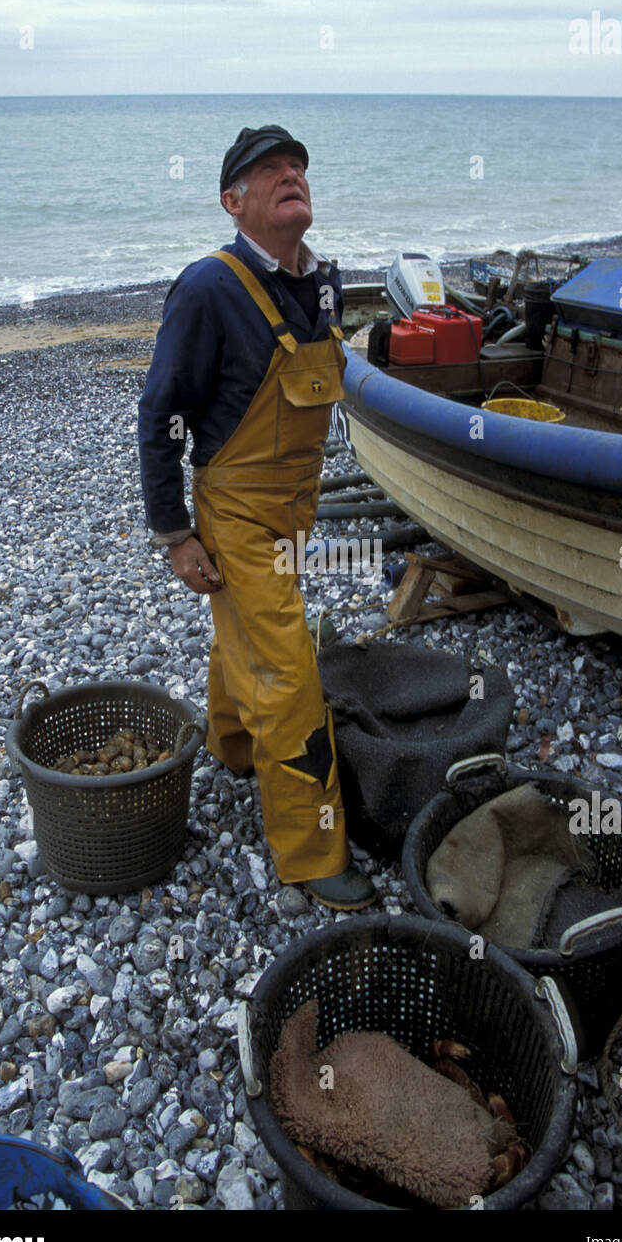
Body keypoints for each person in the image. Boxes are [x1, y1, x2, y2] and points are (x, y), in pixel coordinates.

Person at [137, 125, 376, 912]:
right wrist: (176, 533)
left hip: (294, 506)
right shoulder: (208, 288)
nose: (290, 176)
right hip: (236, 512)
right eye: (269, 170)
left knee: (244, 628)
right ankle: (310, 854)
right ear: (231, 201)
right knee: (287, 674)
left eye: (298, 167)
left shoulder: (323, 283)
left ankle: (231, 744)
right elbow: (160, 414)